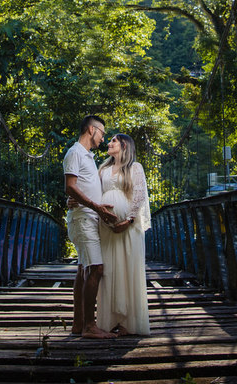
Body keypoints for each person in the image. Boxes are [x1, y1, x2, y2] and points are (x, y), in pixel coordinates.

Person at [63, 115, 118, 339]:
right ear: (91, 129)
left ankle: (78, 324)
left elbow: (79, 188)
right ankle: (89, 326)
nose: (103, 138)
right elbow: (70, 186)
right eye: (102, 132)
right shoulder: (75, 152)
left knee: (83, 269)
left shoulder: (87, 156)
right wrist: (95, 206)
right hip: (83, 219)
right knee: (96, 268)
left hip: (88, 217)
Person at [95, 133, 151, 336]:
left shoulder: (135, 168)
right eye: (109, 140)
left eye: (113, 141)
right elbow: (94, 195)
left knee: (128, 269)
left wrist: (128, 220)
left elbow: (139, 194)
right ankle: (110, 321)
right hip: (107, 228)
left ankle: (128, 322)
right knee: (109, 270)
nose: (108, 144)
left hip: (128, 227)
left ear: (125, 145)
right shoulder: (103, 169)